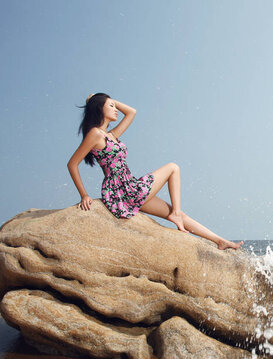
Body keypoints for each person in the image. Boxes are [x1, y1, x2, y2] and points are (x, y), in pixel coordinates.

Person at [67, 93, 243, 250]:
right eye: (111, 106)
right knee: (173, 168)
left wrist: (107, 101)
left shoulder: (111, 135)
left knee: (178, 213)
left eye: (115, 106)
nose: (116, 110)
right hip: (123, 190)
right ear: (99, 109)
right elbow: (72, 164)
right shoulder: (95, 134)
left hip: (130, 187)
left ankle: (219, 240)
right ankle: (176, 214)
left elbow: (132, 112)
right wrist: (84, 195)